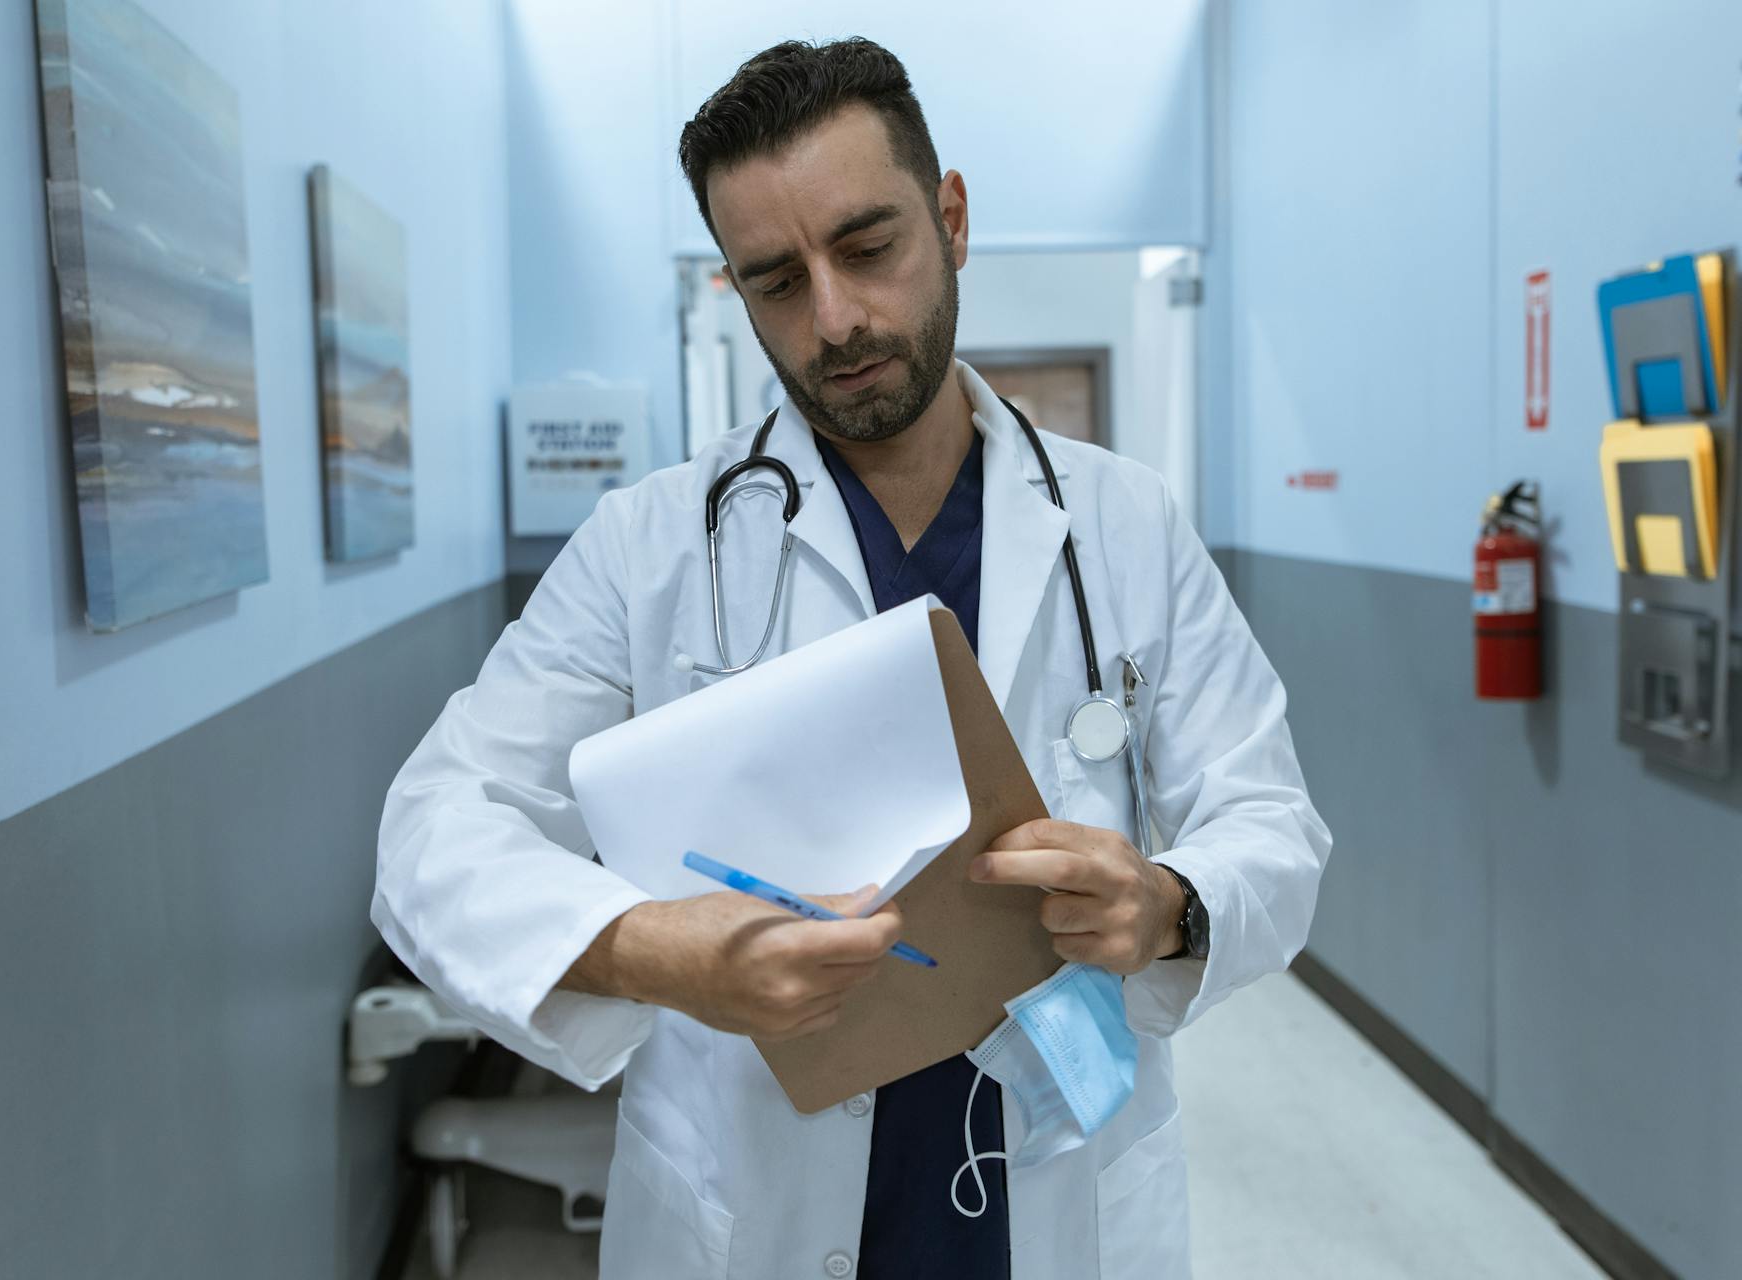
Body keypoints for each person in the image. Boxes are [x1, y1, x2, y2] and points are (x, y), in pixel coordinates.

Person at [374, 37, 1329, 1280]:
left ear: (953, 218)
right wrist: (659, 951)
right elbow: (434, 828)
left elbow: (1272, 821)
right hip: (753, 1212)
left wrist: (1173, 903)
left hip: (1059, 1199)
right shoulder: (652, 544)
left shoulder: (1123, 522)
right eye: (775, 280)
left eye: (868, 248)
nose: (833, 320)